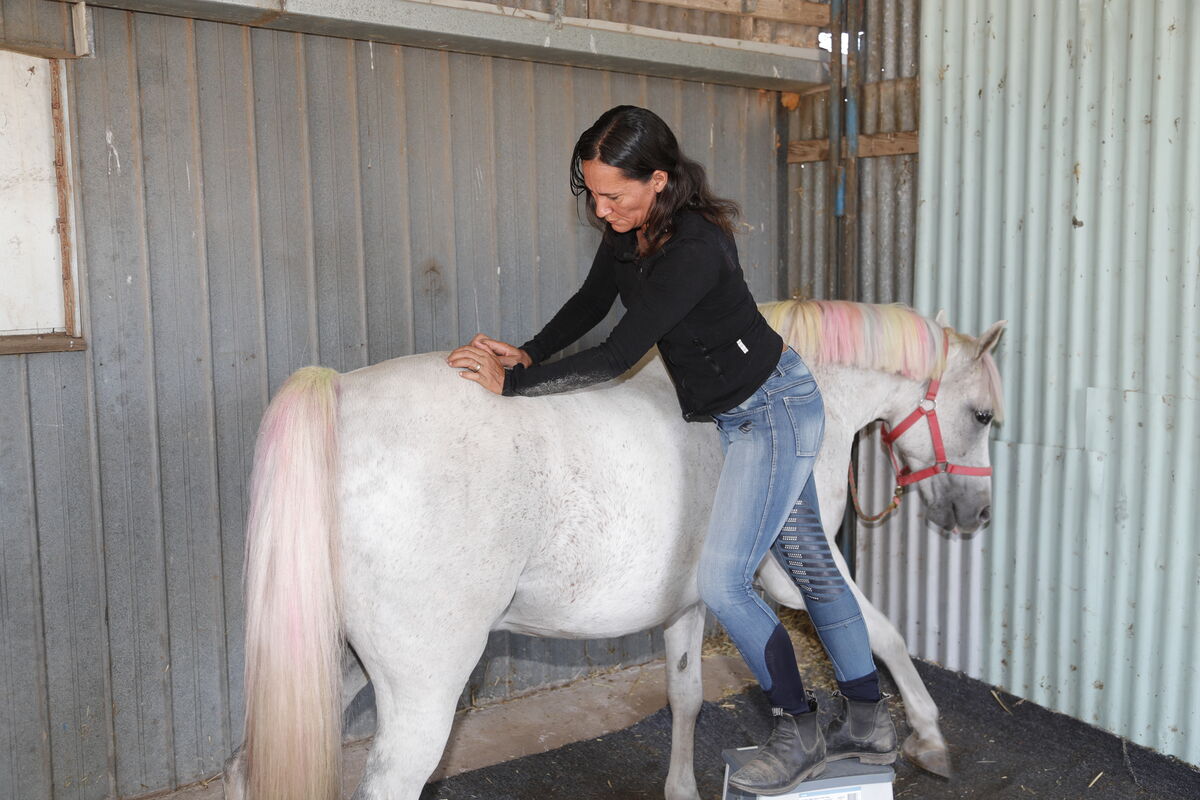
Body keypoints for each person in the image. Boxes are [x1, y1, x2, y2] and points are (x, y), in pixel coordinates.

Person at [447, 105, 896, 795]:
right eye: (591, 194)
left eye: (614, 195)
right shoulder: (633, 226)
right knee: (810, 563)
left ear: (658, 179)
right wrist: (530, 350)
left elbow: (620, 352)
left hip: (771, 409)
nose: (601, 210)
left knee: (724, 582)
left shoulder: (694, 248)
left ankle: (797, 725)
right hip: (740, 408)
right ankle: (868, 721)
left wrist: (514, 385)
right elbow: (593, 301)